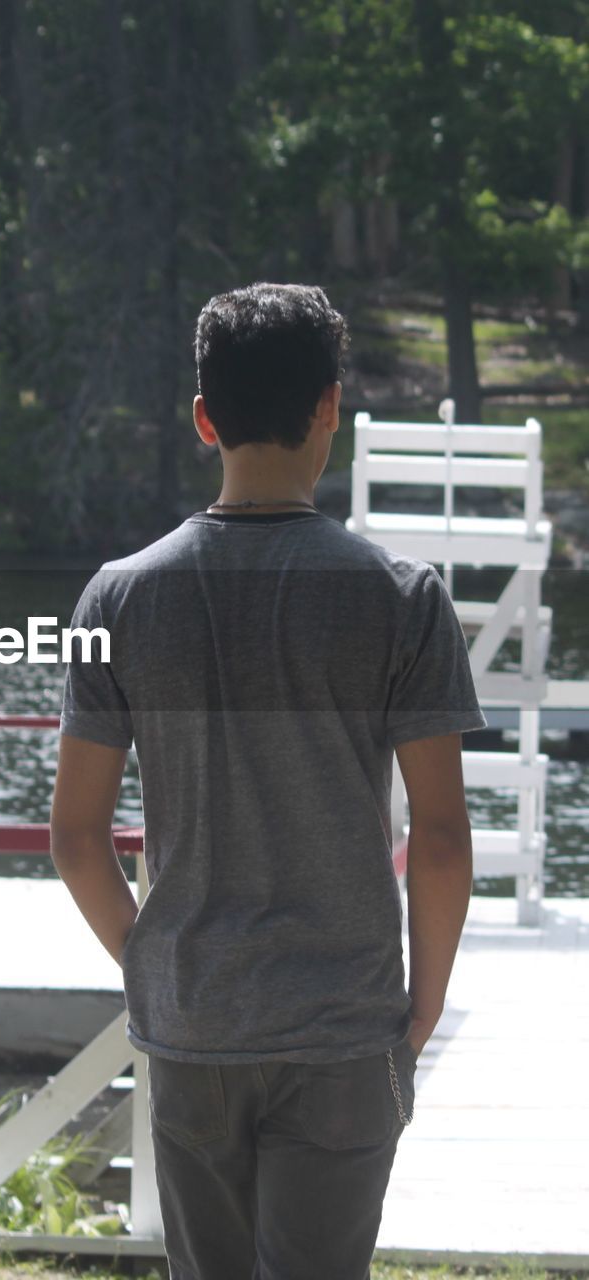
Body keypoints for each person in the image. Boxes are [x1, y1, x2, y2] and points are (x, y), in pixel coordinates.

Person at [49, 282, 487, 1280]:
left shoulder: (116, 595)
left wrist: (152, 956)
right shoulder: (401, 600)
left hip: (196, 1021)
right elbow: (443, 834)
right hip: (344, 1023)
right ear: (329, 406)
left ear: (203, 417)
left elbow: (76, 836)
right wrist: (422, 1004)